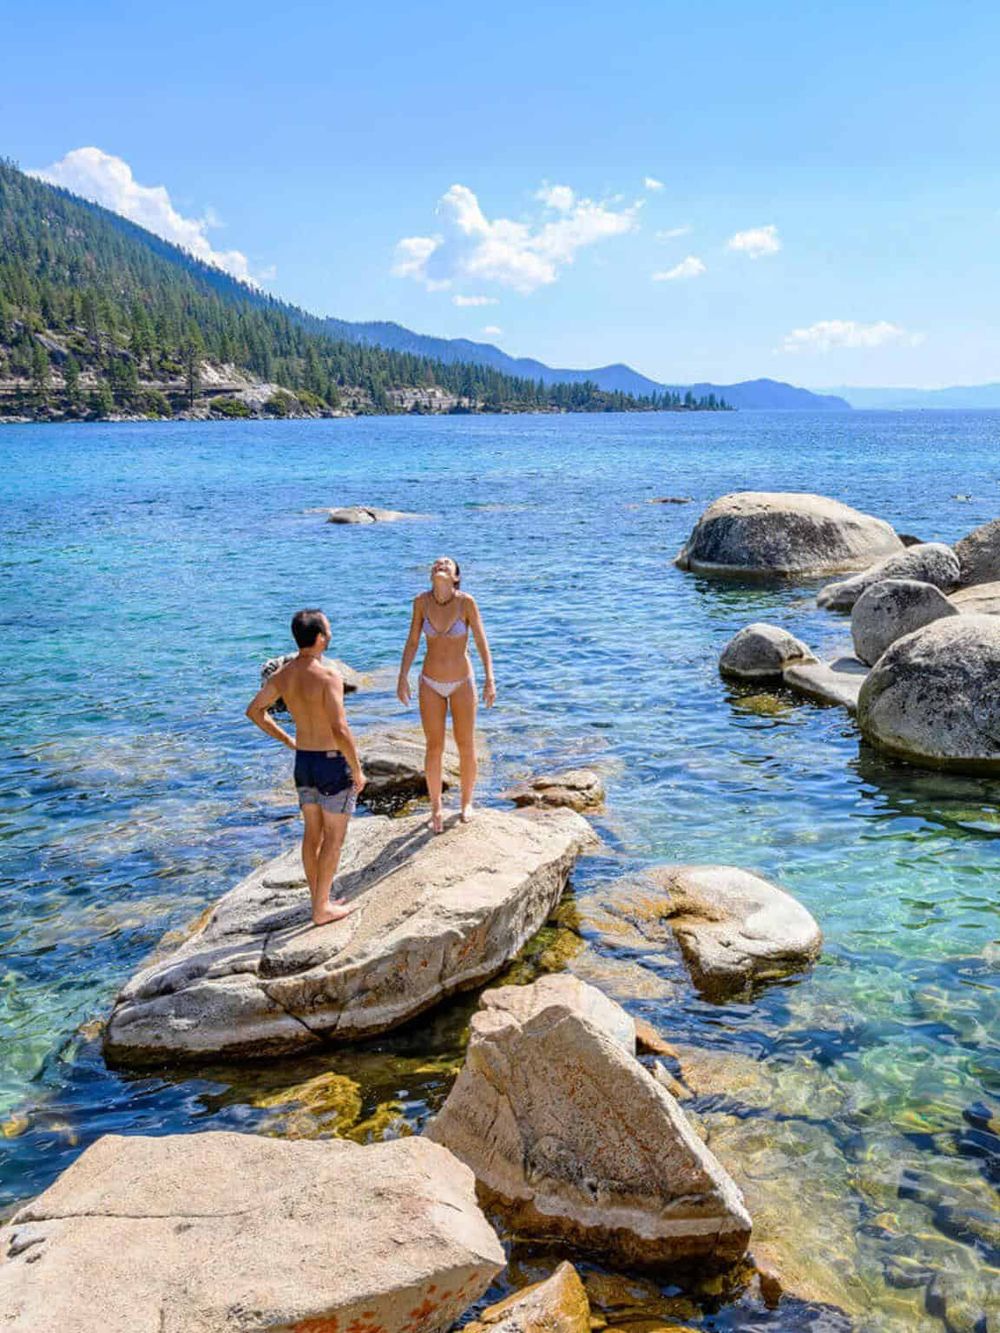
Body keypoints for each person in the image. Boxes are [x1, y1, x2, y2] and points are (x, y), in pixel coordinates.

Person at [246, 609, 365, 926]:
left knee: (312, 834)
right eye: (328, 628)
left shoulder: (283, 675)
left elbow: (255, 711)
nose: (330, 633)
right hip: (330, 763)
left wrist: (288, 740)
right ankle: (321, 909)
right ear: (321, 638)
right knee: (334, 839)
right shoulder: (329, 676)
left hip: (304, 763)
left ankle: (319, 899)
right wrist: (357, 768)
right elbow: (340, 729)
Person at [397, 557, 495, 832]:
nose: (440, 564)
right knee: (434, 746)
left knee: (466, 744)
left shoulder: (466, 603)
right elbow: (413, 640)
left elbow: (481, 640)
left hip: (462, 682)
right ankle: (436, 809)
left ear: (455, 577)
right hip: (430, 682)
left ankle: (466, 803)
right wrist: (402, 676)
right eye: (436, 563)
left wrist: (490, 678)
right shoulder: (421, 602)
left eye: (447, 564)